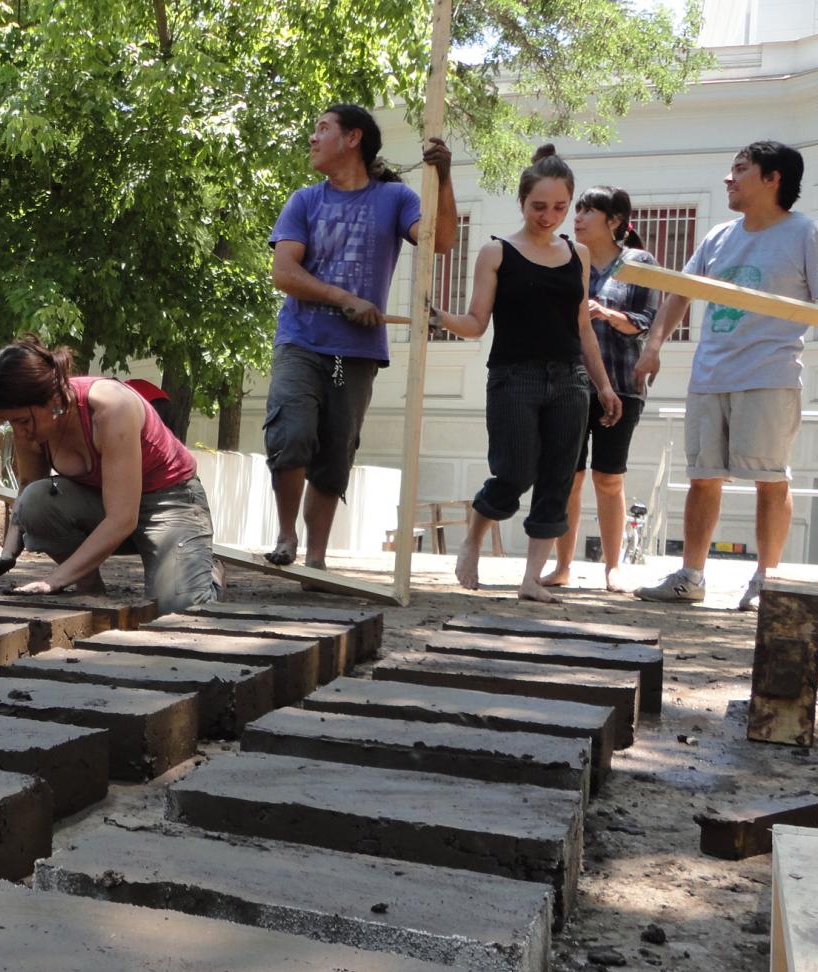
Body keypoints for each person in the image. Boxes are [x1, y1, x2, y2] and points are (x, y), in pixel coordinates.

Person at [633, 141, 818, 610]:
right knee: (703, 476)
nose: (728, 178)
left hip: (769, 374)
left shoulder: (808, 233)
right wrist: (651, 348)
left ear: (772, 178)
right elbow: (679, 294)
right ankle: (691, 576)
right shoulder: (717, 236)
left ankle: (767, 580)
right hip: (710, 374)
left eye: (740, 169)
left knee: (770, 479)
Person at [263, 103, 458, 572]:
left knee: (334, 454)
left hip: (355, 352)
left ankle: (315, 558)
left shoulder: (394, 198)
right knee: (290, 436)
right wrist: (341, 297)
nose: (312, 137)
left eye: (322, 128)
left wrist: (444, 179)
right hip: (302, 341)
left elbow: (442, 240)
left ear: (353, 139)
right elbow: (283, 272)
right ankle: (287, 534)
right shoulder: (305, 200)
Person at [430, 146, 625, 603]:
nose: (549, 216)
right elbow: (477, 322)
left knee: (558, 477)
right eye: (539, 206)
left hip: (570, 382)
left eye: (560, 207)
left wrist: (604, 385)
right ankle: (474, 541)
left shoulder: (577, 254)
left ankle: (531, 580)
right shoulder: (496, 252)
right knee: (514, 472)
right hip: (513, 379)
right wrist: (439, 317)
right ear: (522, 202)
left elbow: (582, 328)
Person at [0, 335, 221, 614]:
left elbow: (122, 519)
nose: (20, 432)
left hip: (169, 502)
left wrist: (53, 581)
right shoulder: (31, 425)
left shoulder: (111, 407)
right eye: (11, 422)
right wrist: (7, 555)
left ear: (53, 400)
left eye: (22, 421)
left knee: (177, 611)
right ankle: (92, 595)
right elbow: (28, 490)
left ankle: (210, 574)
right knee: (36, 501)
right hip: (104, 503)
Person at [539, 186, 661, 592]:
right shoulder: (566, 258)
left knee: (609, 478)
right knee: (569, 477)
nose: (578, 216)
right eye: (578, 209)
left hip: (622, 386)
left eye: (589, 210)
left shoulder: (639, 263)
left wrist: (608, 314)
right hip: (569, 385)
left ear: (614, 222)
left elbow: (646, 321)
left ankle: (613, 567)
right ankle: (562, 567)